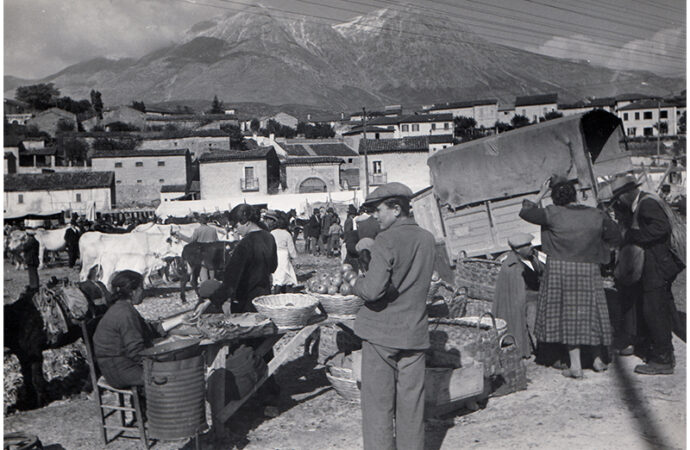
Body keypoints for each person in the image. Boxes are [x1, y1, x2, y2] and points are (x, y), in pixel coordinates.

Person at [352, 182, 436, 450]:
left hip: (382, 334)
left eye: (378, 210)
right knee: (412, 405)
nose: (374, 217)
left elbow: (373, 291)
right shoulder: (426, 238)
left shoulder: (386, 240)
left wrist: (355, 283)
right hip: (415, 331)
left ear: (397, 208)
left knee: (378, 406)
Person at [519, 175, 621, 379]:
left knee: (569, 317)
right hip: (589, 269)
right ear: (575, 195)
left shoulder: (552, 213)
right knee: (591, 313)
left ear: (555, 198)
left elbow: (526, 211)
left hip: (560, 270)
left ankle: (575, 366)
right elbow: (615, 237)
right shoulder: (596, 214)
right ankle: (597, 359)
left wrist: (541, 192)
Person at [609, 174, 684, 375]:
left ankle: (663, 360)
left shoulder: (646, 204)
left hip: (657, 267)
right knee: (659, 308)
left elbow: (661, 228)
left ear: (626, 194)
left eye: (619, 198)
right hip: (657, 266)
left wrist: (632, 235)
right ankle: (661, 350)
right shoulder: (642, 202)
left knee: (655, 311)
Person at [197, 204, 278, 315]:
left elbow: (230, 282)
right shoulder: (269, 237)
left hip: (245, 301)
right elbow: (273, 266)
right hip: (264, 298)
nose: (235, 230)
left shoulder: (245, 243)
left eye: (236, 225)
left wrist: (209, 302)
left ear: (247, 222)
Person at [93, 271, 165, 389]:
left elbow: (147, 329)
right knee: (173, 372)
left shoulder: (121, 307)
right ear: (133, 292)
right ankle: (155, 405)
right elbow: (136, 352)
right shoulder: (125, 313)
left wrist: (180, 320)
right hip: (122, 372)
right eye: (141, 288)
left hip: (113, 367)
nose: (143, 292)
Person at [492, 232, 543, 359]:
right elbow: (516, 291)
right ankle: (540, 350)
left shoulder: (535, 258)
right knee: (533, 319)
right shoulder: (511, 265)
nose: (531, 247)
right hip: (527, 300)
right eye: (527, 245)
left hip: (537, 295)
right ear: (518, 250)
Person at [265, 210, 298, 293]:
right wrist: (294, 257)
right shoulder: (287, 234)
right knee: (286, 273)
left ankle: (276, 291)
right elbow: (291, 248)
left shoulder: (272, 233)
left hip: (274, 254)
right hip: (284, 254)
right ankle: (286, 292)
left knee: (277, 273)